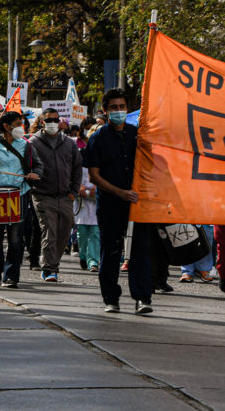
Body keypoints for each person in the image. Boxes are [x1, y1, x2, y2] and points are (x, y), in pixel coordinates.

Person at [85, 88, 154, 315]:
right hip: (110, 203)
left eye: (122, 107)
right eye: (113, 108)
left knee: (140, 250)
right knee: (111, 251)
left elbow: (151, 166)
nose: (118, 111)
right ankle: (111, 298)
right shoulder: (98, 138)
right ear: (106, 111)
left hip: (137, 203)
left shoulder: (139, 135)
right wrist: (119, 192)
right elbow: (94, 175)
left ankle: (142, 298)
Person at [0, 111, 42, 288]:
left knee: (15, 237)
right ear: (6, 126)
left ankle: (11, 275)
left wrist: (35, 174)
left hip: (18, 194)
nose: (22, 127)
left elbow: (38, 165)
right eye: (18, 123)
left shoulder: (27, 146)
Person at [29, 107, 82, 283]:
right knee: (49, 231)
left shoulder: (68, 143)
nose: (53, 123)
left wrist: (74, 191)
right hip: (43, 196)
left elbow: (77, 168)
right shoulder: (33, 142)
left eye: (55, 119)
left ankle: (53, 263)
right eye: (49, 120)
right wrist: (34, 183)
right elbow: (27, 167)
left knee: (64, 233)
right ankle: (49, 268)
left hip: (66, 196)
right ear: (42, 122)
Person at [74, 167, 100, 272]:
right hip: (82, 201)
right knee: (82, 233)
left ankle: (93, 262)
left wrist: (97, 188)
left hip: (95, 202)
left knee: (94, 233)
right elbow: (71, 176)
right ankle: (83, 256)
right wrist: (79, 187)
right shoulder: (78, 159)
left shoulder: (101, 160)